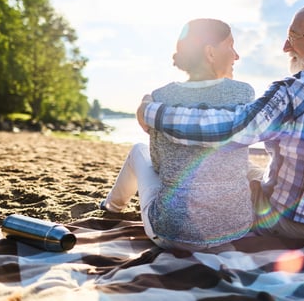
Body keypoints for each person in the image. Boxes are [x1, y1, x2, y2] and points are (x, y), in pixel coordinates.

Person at [140, 3, 304, 242]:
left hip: (293, 224)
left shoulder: (293, 91)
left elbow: (229, 130)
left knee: (227, 167)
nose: (286, 47)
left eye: (293, 36)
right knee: (248, 170)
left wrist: (154, 112)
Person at [101, 18, 260, 252]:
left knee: (138, 151)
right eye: (231, 46)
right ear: (210, 53)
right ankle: (111, 206)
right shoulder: (244, 93)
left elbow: (158, 164)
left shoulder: (160, 97)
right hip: (233, 229)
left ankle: (111, 207)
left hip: (173, 234)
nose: (236, 55)